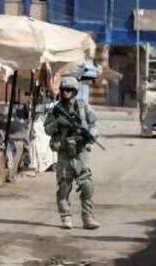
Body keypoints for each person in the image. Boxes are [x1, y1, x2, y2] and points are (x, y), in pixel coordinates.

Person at [44, 76, 100, 230]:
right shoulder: (56, 110)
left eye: (68, 90)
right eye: (63, 90)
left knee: (87, 185)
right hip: (64, 152)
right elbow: (47, 129)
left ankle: (87, 218)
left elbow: (94, 123)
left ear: (75, 92)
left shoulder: (83, 107)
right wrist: (57, 123)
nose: (65, 93)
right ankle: (65, 217)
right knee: (64, 186)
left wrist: (91, 134)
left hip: (81, 151)